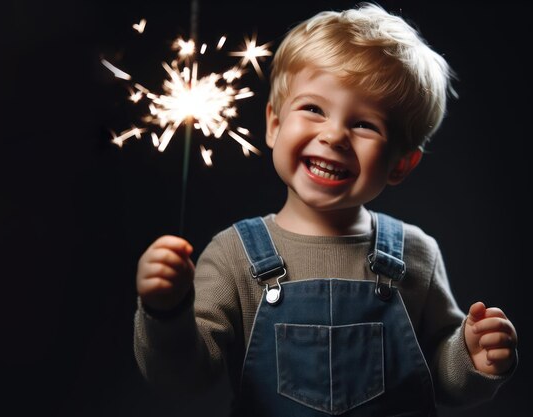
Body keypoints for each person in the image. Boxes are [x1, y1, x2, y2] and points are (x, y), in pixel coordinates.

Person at [133, 3, 518, 416]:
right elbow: (186, 376)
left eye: (365, 124)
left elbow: (444, 373)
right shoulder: (233, 256)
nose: (334, 135)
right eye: (313, 109)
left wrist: (472, 355)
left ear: (401, 164)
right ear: (274, 125)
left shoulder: (416, 254)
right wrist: (166, 311)